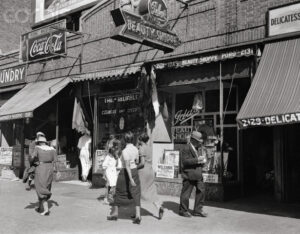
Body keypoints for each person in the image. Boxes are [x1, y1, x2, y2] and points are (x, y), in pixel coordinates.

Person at [107, 131, 142, 224]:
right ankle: (138, 215)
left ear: (125, 140)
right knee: (136, 193)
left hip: (126, 173)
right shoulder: (136, 149)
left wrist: (130, 179)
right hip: (134, 171)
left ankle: (115, 214)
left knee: (118, 192)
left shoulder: (125, 151)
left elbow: (127, 166)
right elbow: (137, 161)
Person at [179, 131, 208, 218]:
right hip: (189, 175)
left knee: (201, 191)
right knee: (186, 194)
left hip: (198, 174)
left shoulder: (198, 148)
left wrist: (202, 162)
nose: (200, 143)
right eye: (199, 142)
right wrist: (197, 160)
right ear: (193, 140)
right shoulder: (186, 148)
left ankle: (197, 210)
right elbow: (185, 161)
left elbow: (197, 160)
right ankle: (183, 210)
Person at [137, 132, 164, 220]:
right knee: (151, 190)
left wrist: (134, 167)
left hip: (143, 172)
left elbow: (142, 163)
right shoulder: (149, 148)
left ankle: (137, 213)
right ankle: (159, 206)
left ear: (140, 140)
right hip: (150, 170)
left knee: (137, 192)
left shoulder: (141, 148)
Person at [30, 134, 57, 216]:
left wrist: (32, 163)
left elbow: (32, 157)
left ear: (39, 142)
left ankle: (46, 210)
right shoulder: (52, 149)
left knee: (40, 187)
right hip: (50, 169)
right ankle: (39, 207)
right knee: (46, 186)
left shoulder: (37, 148)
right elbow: (55, 160)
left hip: (41, 168)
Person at [102, 139, 122, 204]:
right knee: (108, 185)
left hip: (114, 173)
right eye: (116, 151)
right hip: (109, 173)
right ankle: (105, 198)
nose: (117, 152)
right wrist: (105, 175)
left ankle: (111, 198)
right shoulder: (108, 157)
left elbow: (119, 165)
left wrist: (118, 169)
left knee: (113, 186)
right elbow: (104, 166)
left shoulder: (116, 157)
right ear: (113, 151)